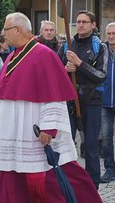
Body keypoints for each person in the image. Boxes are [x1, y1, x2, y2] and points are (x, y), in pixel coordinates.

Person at [0, 12, 103, 202]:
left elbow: (54, 95)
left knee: (53, 175)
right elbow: (2, 95)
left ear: (18, 30)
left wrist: (50, 127)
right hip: (11, 130)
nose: (3, 34)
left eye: (5, 30)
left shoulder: (43, 55)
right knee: (12, 174)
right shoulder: (12, 55)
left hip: (33, 128)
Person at [58, 10, 107, 189]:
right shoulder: (66, 46)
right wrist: (64, 69)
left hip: (92, 101)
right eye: (78, 21)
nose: (80, 25)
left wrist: (79, 64)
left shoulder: (100, 47)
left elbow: (101, 75)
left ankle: (93, 186)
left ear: (93, 25)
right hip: (69, 101)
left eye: (85, 22)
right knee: (66, 143)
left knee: (91, 146)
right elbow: (55, 71)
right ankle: (68, 183)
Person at [101, 22, 115, 183]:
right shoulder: (102, 51)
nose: (111, 37)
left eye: (114, 33)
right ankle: (109, 169)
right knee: (106, 138)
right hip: (104, 102)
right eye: (109, 33)